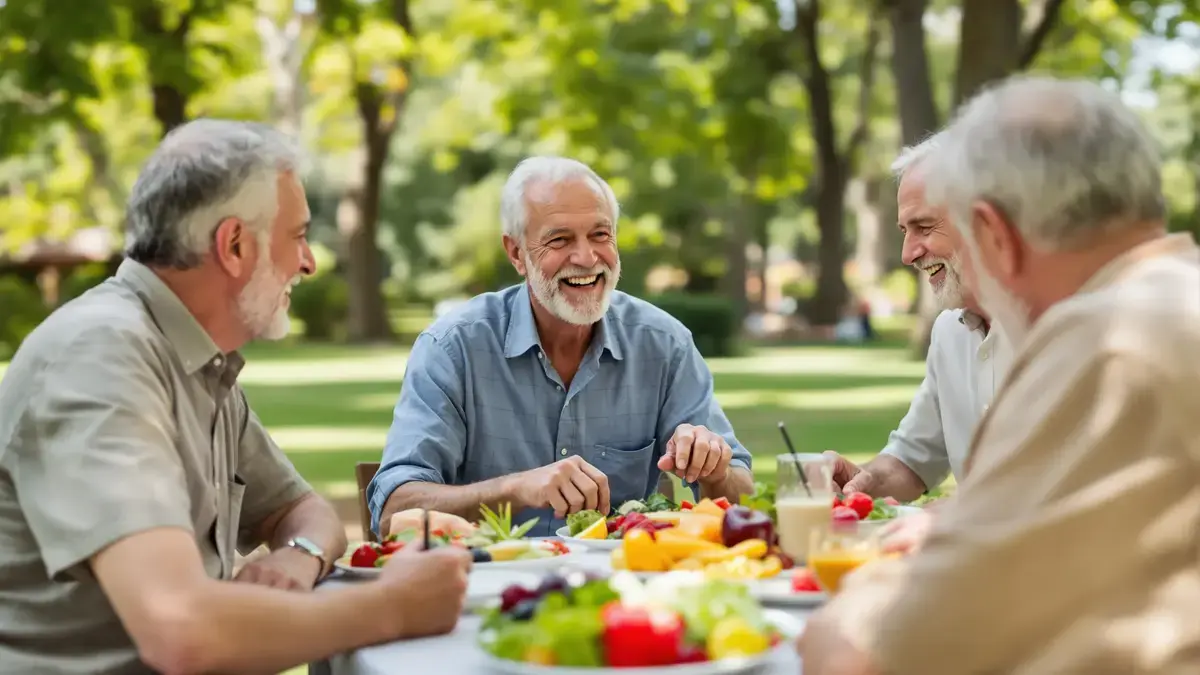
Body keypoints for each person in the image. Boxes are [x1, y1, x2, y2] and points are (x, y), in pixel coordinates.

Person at [0, 119, 471, 675]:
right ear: (235, 245)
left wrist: (297, 559)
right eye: (298, 235)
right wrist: (394, 606)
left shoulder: (195, 360)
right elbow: (181, 631)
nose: (309, 262)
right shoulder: (100, 359)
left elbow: (304, 511)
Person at [799, 75, 1200, 675]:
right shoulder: (1170, 301)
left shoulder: (1103, 342)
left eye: (931, 225)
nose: (909, 254)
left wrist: (850, 613)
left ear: (994, 233)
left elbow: (889, 653)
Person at [369, 156, 754, 537]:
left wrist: (716, 469)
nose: (586, 258)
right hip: (483, 582)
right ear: (516, 253)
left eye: (600, 235)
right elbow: (393, 508)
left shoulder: (663, 345)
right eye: (560, 239)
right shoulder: (453, 349)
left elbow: (743, 502)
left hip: (621, 587)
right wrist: (516, 489)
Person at [823, 133, 1013, 504]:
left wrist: (952, 519)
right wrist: (861, 482)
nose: (908, 255)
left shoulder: (1068, 328)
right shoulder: (949, 332)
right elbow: (913, 459)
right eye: (904, 231)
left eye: (924, 227)